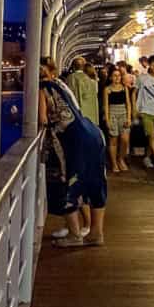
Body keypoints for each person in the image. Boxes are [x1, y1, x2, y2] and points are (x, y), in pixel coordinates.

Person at [40, 57, 109, 246]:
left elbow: (42, 118)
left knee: (67, 182)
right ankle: (96, 233)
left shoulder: (44, 87)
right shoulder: (61, 83)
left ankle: (75, 234)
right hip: (91, 132)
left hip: (71, 139)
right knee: (95, 183)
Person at [103, 65, 133, 174]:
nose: (117, 78)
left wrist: (129, 117)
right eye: (115, 76)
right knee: (113, 140)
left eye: (119, 76)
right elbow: (106, 106)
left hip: (123, 114)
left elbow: (128, 104)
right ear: (110, 77)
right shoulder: (107, 90)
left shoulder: (124, 88)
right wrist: (107, 119)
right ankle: (114, 162)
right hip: (113, 115)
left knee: (125, 140)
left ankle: (121, 158)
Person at [136, 54, 154, 168]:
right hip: (146, 111)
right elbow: (135, 93)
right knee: (151, 135)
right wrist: (136, 109)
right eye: (152, 65)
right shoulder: (142, 78)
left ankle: (147, 157)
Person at [66, 55, 100, 124]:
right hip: (92, 116)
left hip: (79, 116)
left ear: (73, 67)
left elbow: (69, 96)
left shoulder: (71, 78)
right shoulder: (92, 80)